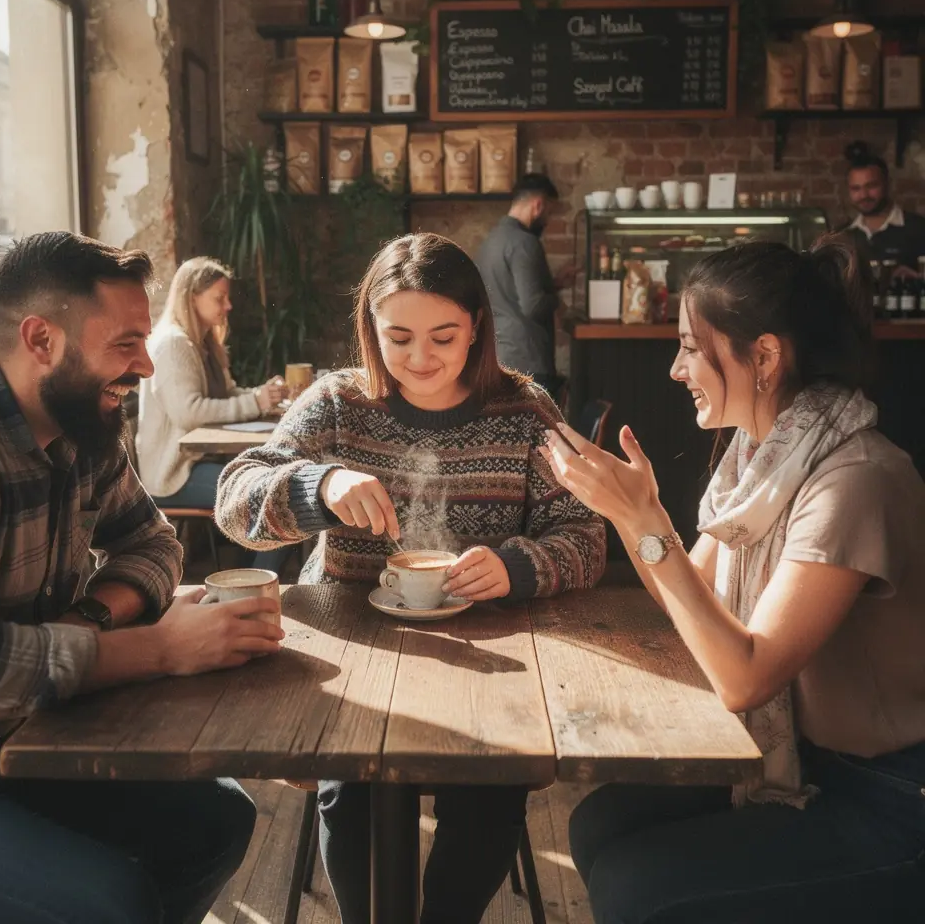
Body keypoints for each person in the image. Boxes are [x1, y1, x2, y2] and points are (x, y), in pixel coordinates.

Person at [216, 232, 606, 924]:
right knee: (354, 787)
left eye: (444, 338)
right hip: (356, 663)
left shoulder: (522, 411)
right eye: (398, 338)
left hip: (494, 669)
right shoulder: (338, 405)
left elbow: (585, 537)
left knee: (492, 787)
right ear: (369, 326)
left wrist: (517, 567)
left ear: (478, 328)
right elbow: (234, 500)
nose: (420, 360)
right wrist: (318, 484)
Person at [0, 232, 284, 924]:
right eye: (125, 343)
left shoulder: (79, 427)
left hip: (25, 734)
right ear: (41, 339)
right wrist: (161, 649)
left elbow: (156, 545)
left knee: (218, 820)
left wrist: (90, 621)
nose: (145, 365)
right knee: (109, 902)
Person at [544, 235, 925, 923]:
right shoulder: (761, 460)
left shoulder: (854, 479)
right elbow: (691, 600)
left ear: (767, 357)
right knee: (599, 824)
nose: (674, 368)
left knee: (638, 891)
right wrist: (635, 519)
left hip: (892, 796)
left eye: (690, 346)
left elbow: (745, 676)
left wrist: (647, 521)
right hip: (813, 761)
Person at [137, 256, 286, 507]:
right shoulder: (173, 344)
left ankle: (254, 546)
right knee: (267, 499)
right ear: (192, 297)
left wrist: (263, 395)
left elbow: (226, 393)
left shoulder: (203, 342)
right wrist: (255, 402)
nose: (228, 305)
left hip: (200, 462)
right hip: (174, 474)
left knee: (273, 482)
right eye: (219, 298)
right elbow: (188, 412)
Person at [475, 172, 568, 400]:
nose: (547, 220)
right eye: (549, 212)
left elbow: (508, 293)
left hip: (500, 355)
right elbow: (533, 306)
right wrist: (558, 301)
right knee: (539, 435)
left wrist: (554, 284)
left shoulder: (491, 240)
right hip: (528, 360)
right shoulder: (525, 243)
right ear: (538, 205)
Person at [844, 140, 925, 276]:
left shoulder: (919, 228)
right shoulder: (843, 236)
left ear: (888, 184)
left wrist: (920, 280)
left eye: (871, 186)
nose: (864, 195)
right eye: (856, 188)